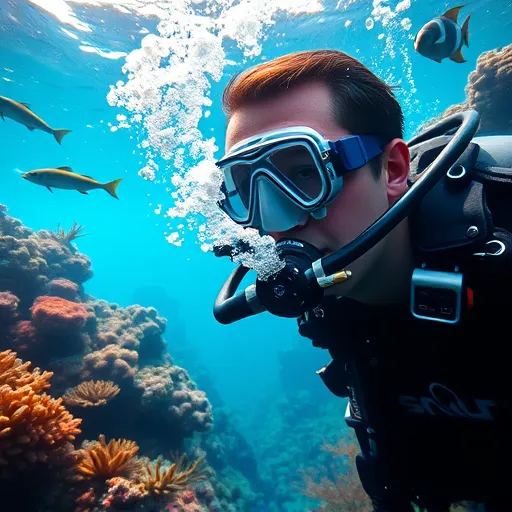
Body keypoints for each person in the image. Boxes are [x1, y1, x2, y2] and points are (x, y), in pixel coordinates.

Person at [214, 49, 512, 511]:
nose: (278, 221)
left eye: (304, 173)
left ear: (393, 170)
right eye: (250, 187)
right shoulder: (329, 302)